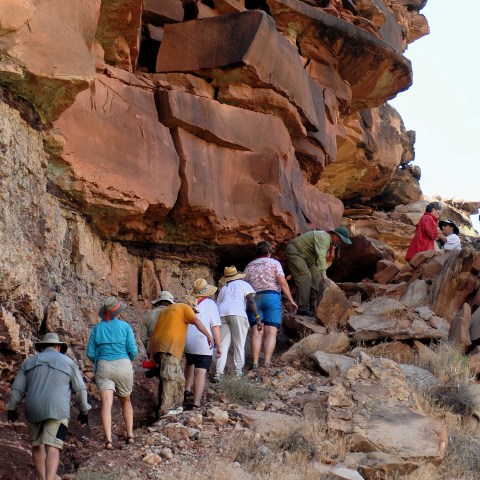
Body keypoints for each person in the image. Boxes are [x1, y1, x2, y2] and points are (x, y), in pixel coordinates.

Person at [7, 332, 91, 480]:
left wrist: (12, 409)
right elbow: (80, 389)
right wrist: (84, 411)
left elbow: (17, 390)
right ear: (58, 347)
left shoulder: (28, 363)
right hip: (58, 411)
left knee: (37, 445)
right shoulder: (69, 362)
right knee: (53, 447)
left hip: (33, 410)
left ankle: (42, 478)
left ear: (42, 347)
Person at [86, 296, 138, 450]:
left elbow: (90, 353)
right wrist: (126, 359)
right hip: (123, 365)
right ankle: (130, 436)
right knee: (126, 401)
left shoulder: (97, 328)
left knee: (107, 403)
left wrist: (101, 360)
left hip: (104, 366)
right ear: (118, 312)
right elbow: (133, 351)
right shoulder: (126, 327)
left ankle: (108, 440)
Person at [149, 295, 214, 418]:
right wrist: (209, 336)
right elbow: (196, 321)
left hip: (159, 348)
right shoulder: (184, 307)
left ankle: (177, 407)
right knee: (170, 379)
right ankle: (165, 410)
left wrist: (152, 356)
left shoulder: (165, 311)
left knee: (179, 380)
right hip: (169, 347)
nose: (193, 313)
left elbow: (153, 334)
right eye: (194, 310)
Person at [244, 241, 298, 369]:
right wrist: (291, 300)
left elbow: (244, 286)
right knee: (271, 332)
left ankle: (255, 362)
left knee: (257, 332)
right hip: (272, 297)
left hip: (254, 299)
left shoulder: (249, 266)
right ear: (268, 252)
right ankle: (267, 362)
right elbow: (283, 283)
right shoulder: (274, 263)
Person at [285, 226, 352, 316]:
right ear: (335, 235)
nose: (341, 243)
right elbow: (321, 255)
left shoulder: (329, 241)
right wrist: (324, 272)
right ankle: (302, 308)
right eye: (341, 240)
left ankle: (315, 306)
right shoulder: (324, 237)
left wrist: (321, 274)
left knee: (317, 278)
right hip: (296, 252)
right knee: (305, 277)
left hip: (309, 258)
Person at [214, 266, 260, 381]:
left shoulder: (224, 288)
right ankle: (238, 373)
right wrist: (258, 317)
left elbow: (218, 304)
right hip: (237, 314)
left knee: (223, 345)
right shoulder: (243, 284)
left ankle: (218, 373)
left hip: (221, 314)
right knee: (239, 343)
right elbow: (250, 300)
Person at [184, 279, 222, 408]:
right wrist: (219, 345)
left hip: (187, 341)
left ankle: (186, 390)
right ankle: (196, 402)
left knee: (190, 363)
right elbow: (215, 326)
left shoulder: (188, 302)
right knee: (200, 372)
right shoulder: (210, 303)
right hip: (202, 341)